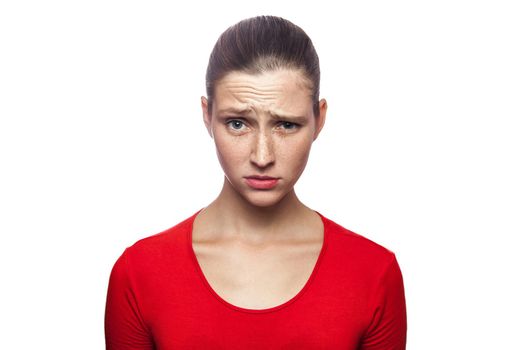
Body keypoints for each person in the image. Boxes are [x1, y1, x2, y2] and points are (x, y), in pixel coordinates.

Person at [104, 15, 407, 349]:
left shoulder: (372, 273)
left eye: (286, 125)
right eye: (237, 124)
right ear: (207, 116)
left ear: (319, 119)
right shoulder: (140, 273)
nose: (262, 157)